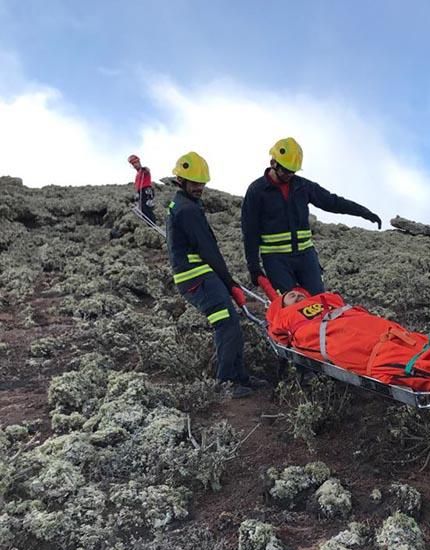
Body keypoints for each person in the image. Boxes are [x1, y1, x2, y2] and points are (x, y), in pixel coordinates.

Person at [166, 151, 264, 398]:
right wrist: (229, 281)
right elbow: (207, 250)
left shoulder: (186, 204)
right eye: (195, 183)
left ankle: (239, 376)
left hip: (199, 275)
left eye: (202, 183)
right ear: (181, 181)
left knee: (231, 323)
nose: (200, 187)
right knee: (226, 323)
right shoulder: (186, 210)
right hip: (196, 277)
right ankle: (226, 383)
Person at [242, 137, 382, 298]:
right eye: (286, 170)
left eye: (293, 171)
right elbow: (249, 230)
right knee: (290, 307)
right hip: (276, 259)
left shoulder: (303, 186)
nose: (290, 175)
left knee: (319, 301)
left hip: (305, 256)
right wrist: (254, 268)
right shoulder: (256, 191)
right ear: (273, 163)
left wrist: (363, 212)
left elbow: (332, 202)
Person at [266, 287, 430, 392]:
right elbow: (280, 339)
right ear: (282, 309)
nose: (297, 295)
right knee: (409, 360)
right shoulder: (285, 320)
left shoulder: (326, 302)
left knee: (419, 345)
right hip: (355, 344)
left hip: (375, 328)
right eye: (290, 296)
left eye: (298, 293)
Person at [128, 154, 157, 223]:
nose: (134, 165)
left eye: (135, 162)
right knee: (142, 209)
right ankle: (149, 224)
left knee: (147, 208)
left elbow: (147, 170)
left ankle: (152, 225)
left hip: (146, 191)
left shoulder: (143, 170)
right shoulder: (137, 174)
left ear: (139, 162)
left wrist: (145, 169)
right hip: (140, 192)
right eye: (133, 164)